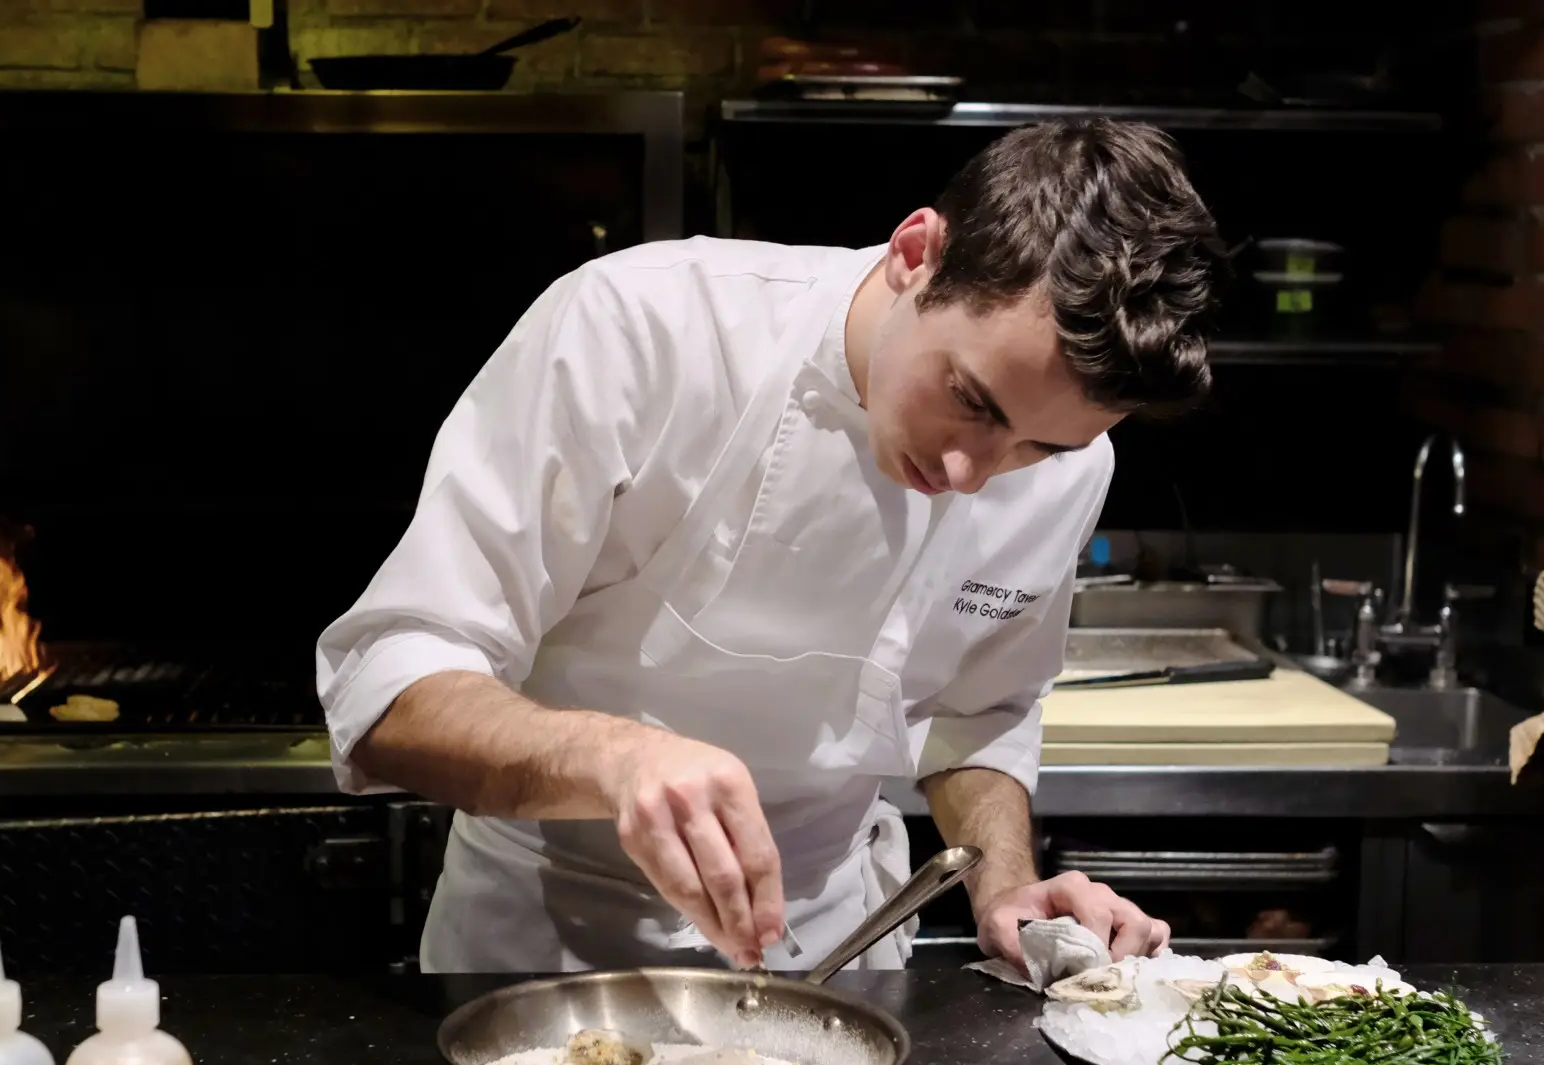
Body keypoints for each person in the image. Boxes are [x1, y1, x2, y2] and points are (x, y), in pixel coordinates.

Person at [318, 119, 1225, 974]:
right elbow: (393, 686)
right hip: (548, 946)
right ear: (916, 254)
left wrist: (1006, 882)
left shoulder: (1073, 464)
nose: (971, 471)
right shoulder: (646, 325)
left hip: (835, 958)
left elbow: (977, 716)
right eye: (973, 400)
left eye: (1036, 447)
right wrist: (617, 758)